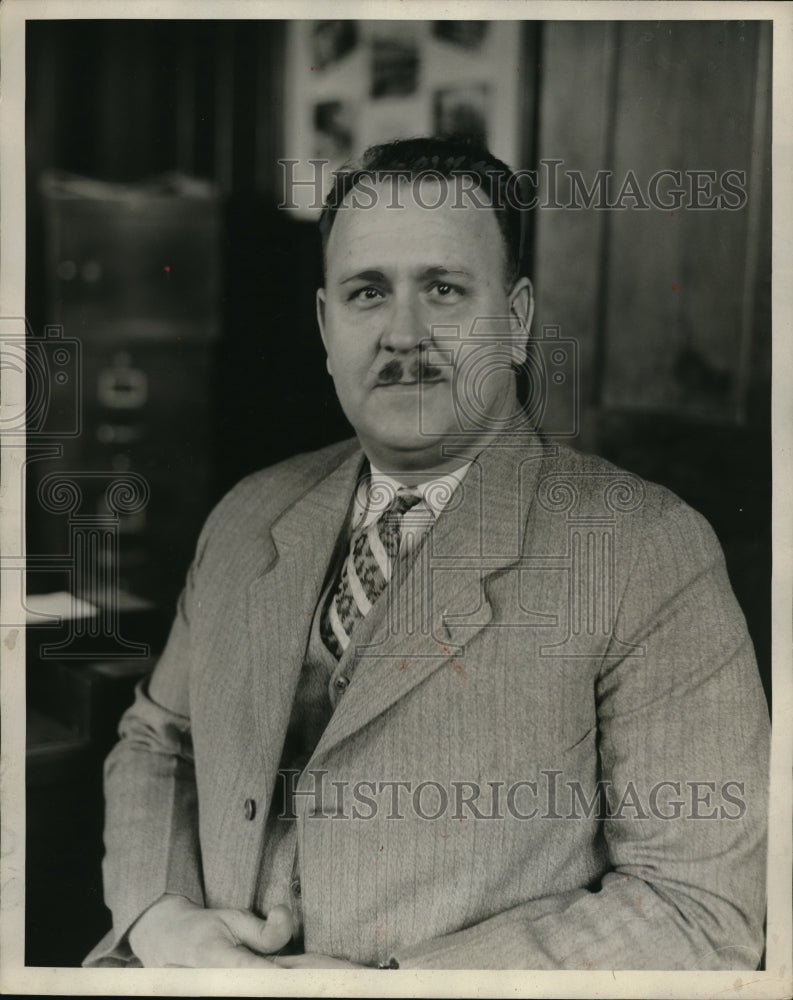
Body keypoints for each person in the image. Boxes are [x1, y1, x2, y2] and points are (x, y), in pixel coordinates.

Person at [84, 136, 769, 970]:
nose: (403, 334)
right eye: (367, 292)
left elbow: (701, 912)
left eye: (442, 289)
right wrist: (160, 919)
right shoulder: (247, 513)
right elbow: (158, 739)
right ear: (325, 326)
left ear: (514, 321)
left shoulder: (644, 550)